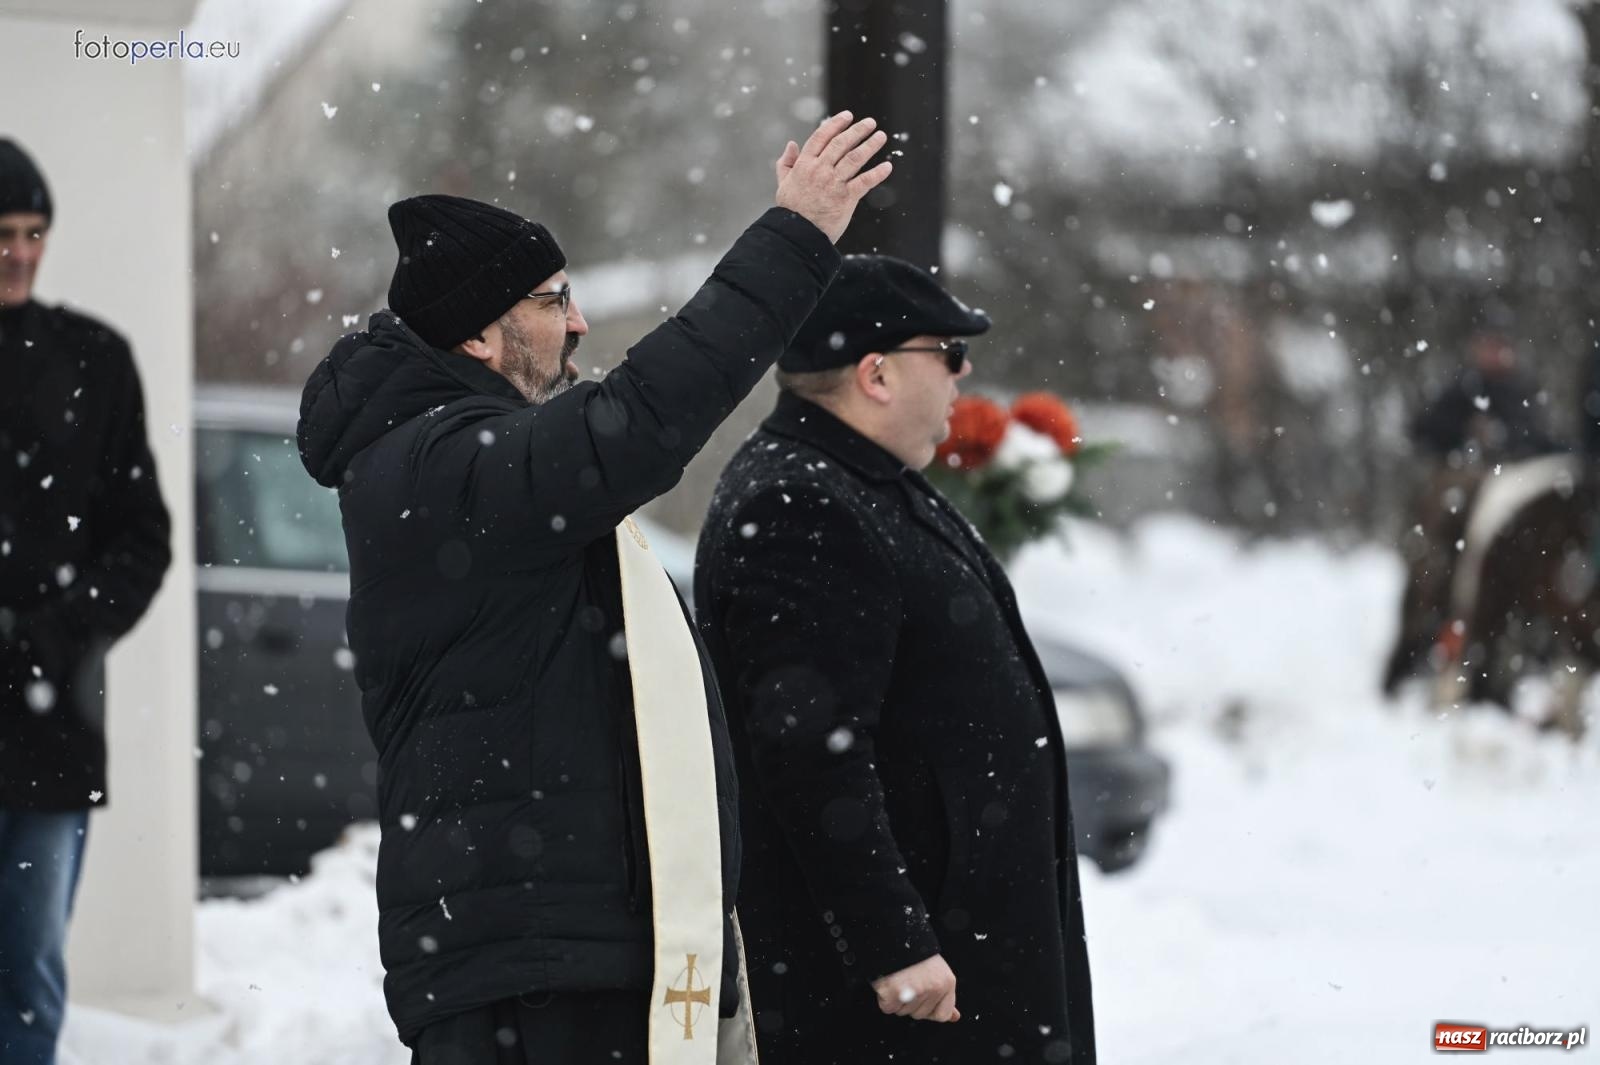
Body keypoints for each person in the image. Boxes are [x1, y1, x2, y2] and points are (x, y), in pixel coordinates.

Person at [295, 112, 890, 1063]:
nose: (577, 322)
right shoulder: (442, 466)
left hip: (560, 951)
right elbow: (643, 418)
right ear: (480, 337)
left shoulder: (465, 458)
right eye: (551, 300)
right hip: (529, 973)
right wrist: (795, 235)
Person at [694, 254, 1096, 1065]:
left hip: (961, 952)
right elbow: (809, 750)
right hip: (906, 997)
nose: (964, 371)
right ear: (876, 374)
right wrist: (891, 942)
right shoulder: (800, 503)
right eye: (945, 351)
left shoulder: (865, 482)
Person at [0, 138, 173, 1065]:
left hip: (49, 726)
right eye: (1, 234)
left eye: (33, 232)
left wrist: (55, 634)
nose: (20, 253)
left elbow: (142, 538)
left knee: (27, 971)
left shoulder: (92, 361)